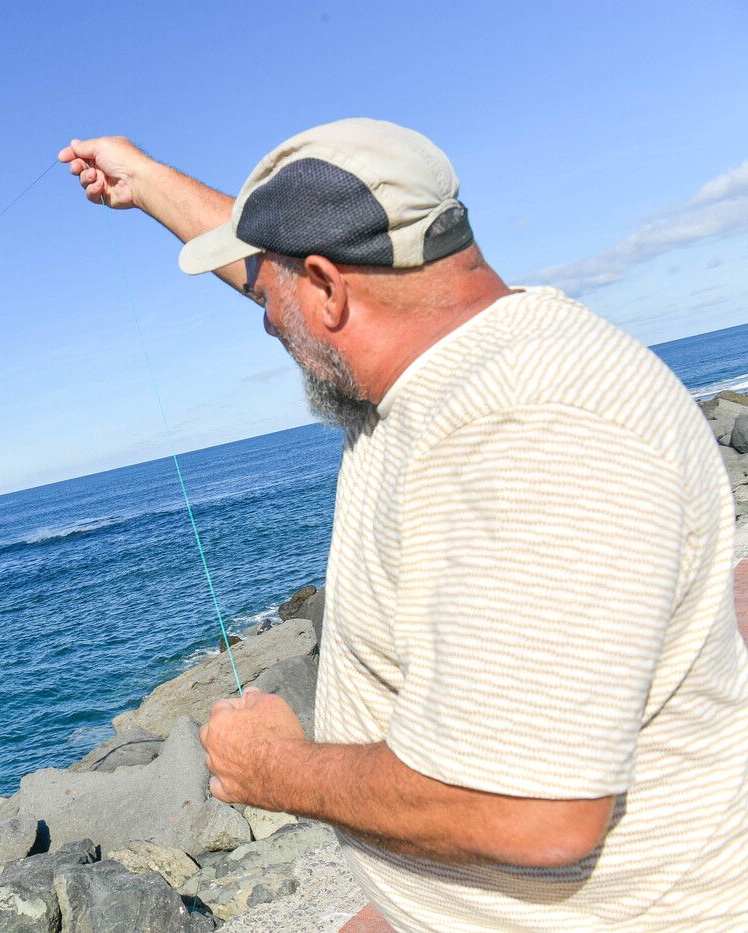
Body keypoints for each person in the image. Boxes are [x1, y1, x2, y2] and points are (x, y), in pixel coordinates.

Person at [59, 118, 748, 931]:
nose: (268, 319)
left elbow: (538, 812)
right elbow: (273, 271)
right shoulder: (444, 343)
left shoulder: (528, 436)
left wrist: (277, 769)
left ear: (328, 287)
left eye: (277, 296)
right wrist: (140, 180)